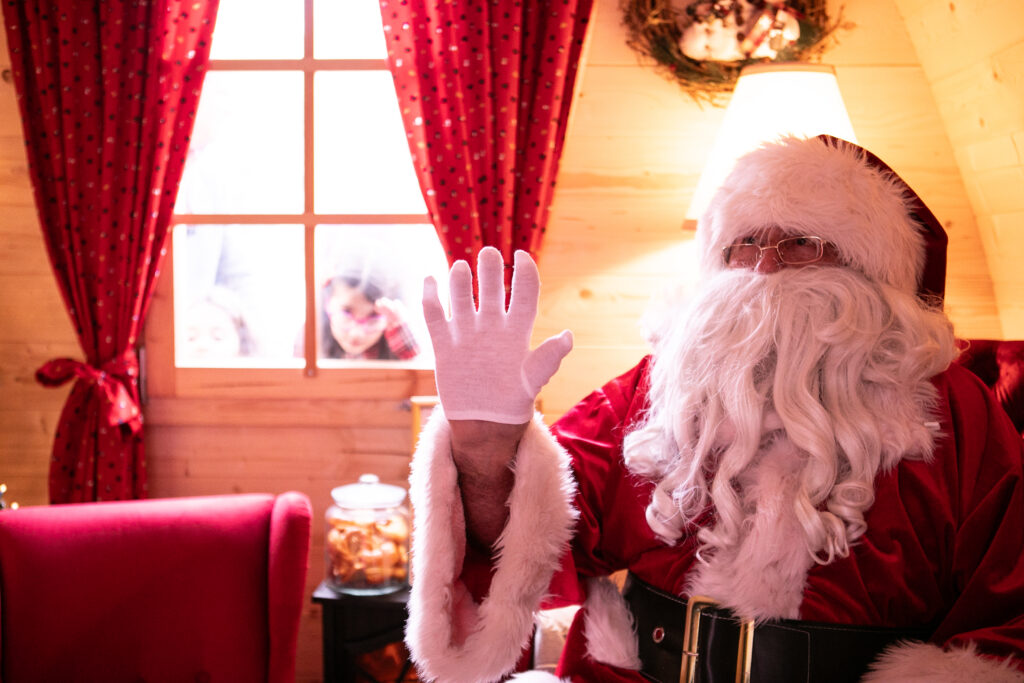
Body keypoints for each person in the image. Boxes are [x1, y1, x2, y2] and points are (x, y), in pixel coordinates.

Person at [403, 135, 1024, 683]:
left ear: (870, 273)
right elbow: (533, 546)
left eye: (802, 244)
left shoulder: (953, 413)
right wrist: (485, 451)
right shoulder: (658, 386)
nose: (766, 267)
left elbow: (1011, 617)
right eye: (744, 244)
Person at [319, 253, 420, 360]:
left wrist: (398, 328)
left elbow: (418, 370)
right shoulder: (312, 336)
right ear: (327, 303)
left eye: (373, 318)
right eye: (346, 313)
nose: (356, 334)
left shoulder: (395, 339)